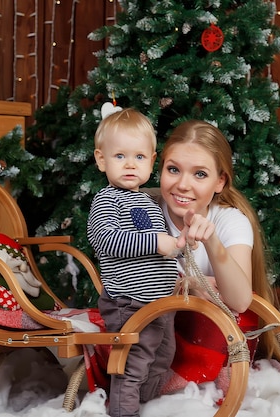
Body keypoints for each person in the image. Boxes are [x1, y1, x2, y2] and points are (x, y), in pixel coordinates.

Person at [157, 120, 280, 392]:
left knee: (216, 321)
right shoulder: (147, 212)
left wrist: (212, 241)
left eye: (199, 174)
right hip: (158, 332)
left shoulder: (230, 220)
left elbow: (239, 300)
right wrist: (185, 284)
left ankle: (192, 376)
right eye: (173, 170)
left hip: (208, 335)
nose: (182, 185)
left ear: (220, 181)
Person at [87, 107, 180, 417]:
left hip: (159, 302)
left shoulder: (146, 201)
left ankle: (145, 404)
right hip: (130, 301)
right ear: (102, 160)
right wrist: (156, 242)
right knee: (134, 362)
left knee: (164, 354)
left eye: (139, 157)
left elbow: (160, 247)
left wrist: (180, 244)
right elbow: (106, 240)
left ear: (152, 161)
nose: (130, 164)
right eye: (120, 157)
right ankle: (124, 411)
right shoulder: (107, 199)